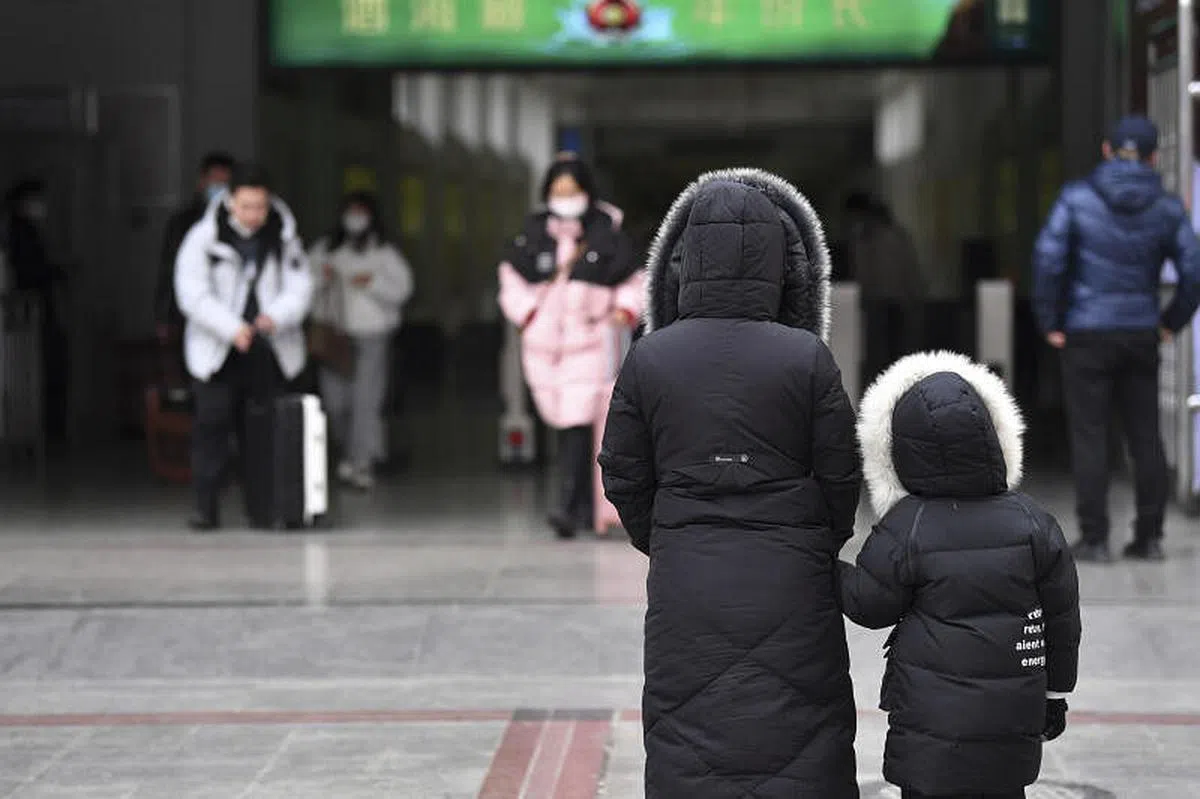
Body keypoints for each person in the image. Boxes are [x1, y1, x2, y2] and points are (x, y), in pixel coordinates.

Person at [599, 169, 862, 798]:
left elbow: (623, 471)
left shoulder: (652, 356)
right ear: (780, 263)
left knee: (688, 725)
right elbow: (841, 472)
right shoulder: (805, 355)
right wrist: (815, 538)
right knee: (802, 729)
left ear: (686, 261)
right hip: (792, 574)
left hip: (687, 570)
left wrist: (665, 536)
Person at [839, 351, 1082, 799]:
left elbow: (870, 605)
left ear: (903, 450)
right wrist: (1055, 694)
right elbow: (1061, 619)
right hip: (1011, 722)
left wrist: (824, 565)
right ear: (992, 438)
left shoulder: (907, 524)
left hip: (931, 731)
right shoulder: (1033, 522)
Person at [1033, 115, 1200, 563]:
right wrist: (1170, 322)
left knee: (1090, 436)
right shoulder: (1167, 207)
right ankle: (1148, 537)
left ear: (1106, 150)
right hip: (1140, 331)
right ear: (1153, 156)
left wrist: (1052, 320)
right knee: (1145, 436)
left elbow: (1048, 260)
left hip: (1086, 332)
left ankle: (1095, 538)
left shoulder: (1076, 198)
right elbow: (1194, 270)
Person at [498, 155, 642, 539]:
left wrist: (623, 312)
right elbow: (511, 280)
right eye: (558, 192)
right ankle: (579, 507)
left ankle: (569, 505)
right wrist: (528, 315)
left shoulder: (608, 236)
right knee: (564, 422)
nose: (565, 198)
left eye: (572, 191)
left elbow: (632, 281)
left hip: (591, 342)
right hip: (544, 347)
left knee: (578, 421)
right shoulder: (532, 235)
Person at [174, 164, 314, 531]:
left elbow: (300, 286)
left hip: (268, 345)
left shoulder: (284, 237)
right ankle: (205, 509)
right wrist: (232, 328)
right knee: (211, 428)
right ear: (230, 201)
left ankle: (266, 509)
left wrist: (276, 317)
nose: (253, 214)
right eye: (246, 206)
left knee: (266, 431)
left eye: (260, 207)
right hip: (217, 350)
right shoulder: (203, 239)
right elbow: (192, 294)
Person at [308, 191, 413, 491]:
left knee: (366, 402)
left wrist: (373, 283)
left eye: (361, 212)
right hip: (333, 336)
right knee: (335, 403)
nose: (355, 219)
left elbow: (403, 289)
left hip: (372, 336)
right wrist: (322, 277)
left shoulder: (384, 252)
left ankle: (361, 462)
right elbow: (302, 283)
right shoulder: (325, 250)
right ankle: (349, 452)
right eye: (350, 212)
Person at [2, 178, 69, 443]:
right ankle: (48, 430)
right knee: (44, 369)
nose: (41, 206)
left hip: (42, 306)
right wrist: (56, 273)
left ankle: (51, 429)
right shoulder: (19, 231)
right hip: (33, 309)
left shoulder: (26, 230)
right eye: (36, 200)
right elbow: (30, 270)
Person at [843, 191, 926, 384]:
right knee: (882, 355)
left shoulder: (887, 238)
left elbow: (907, 272)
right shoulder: (866, 239)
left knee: (889, 354)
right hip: (880, 304)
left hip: (890, 304)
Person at [155, 152, 236, 344]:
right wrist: (163, 316)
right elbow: (168, 269)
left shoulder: (240, 224)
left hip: (231, 313)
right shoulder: (183, 223)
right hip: (188, 313)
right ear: (202, 181)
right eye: (215, 181)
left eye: (225, 183)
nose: (219, 188)